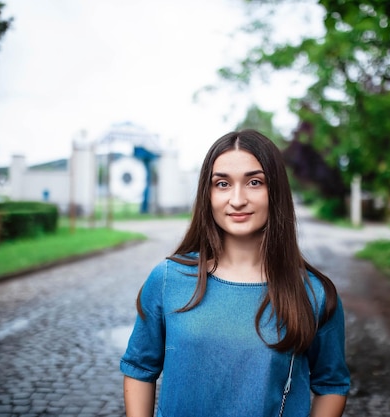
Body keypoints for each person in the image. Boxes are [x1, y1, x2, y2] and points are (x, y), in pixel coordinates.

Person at [119, 129, 350, 417]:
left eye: (254, 182)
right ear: (208, 193)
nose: (237, 199)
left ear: (275, 191)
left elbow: (331, 384)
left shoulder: (314, 294)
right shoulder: (168, 279)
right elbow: (140, 368)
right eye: (222, 184)